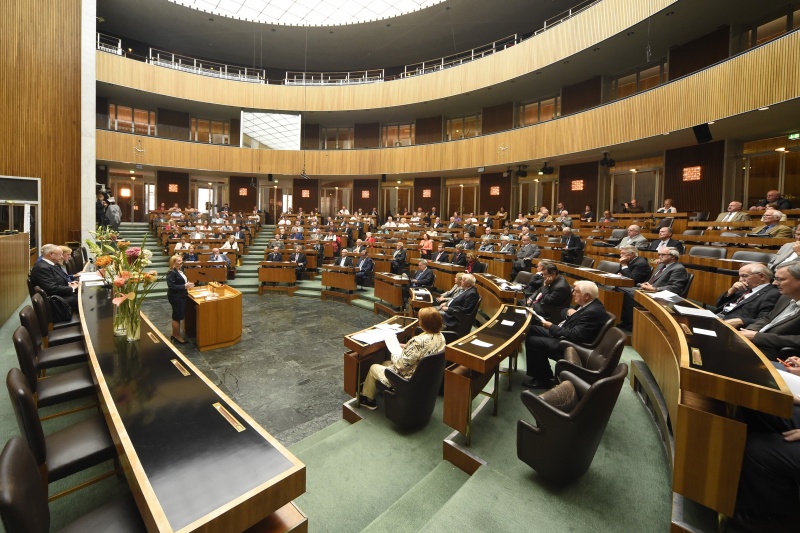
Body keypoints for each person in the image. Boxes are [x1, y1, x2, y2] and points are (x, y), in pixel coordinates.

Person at [523, 280, 608, 389]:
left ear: (587, 295)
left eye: (576, 291)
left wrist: (551, 327)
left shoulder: (592, 312)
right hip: (565, 333)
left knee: (533, 342)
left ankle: (541, 380)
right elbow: (564, 311)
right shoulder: (587, 304)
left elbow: (575, 335)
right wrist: (569, 312)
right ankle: (543, 373)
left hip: (571, 345)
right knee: (532, 329)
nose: (573, 293)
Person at [359, 306, 446, 410]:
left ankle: (368, 400)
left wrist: (394, 350)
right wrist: (406, 347)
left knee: (374, 367)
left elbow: (400, 365)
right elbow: (423, 350)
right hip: (423, 375)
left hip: (407, 379)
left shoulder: (419, 342)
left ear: (424, 323)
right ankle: (374, 388)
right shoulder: (440, 336)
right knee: (385, 363)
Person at [740, 262, 800, 358]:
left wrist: (758, 337)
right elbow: (768, 318)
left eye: (780, 279)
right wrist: (749, 331)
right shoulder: (785, 297)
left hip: (777, 353)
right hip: (755, 343)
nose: (774, 283)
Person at [618, 248, 688, 329]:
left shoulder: (678, 268)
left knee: (625, 292)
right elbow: (653, 280)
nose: (660, 256)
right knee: (619, 289)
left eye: (663, 255)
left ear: (673, 257)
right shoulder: (661, 265)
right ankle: (625, 320)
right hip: (648, 290)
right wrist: (646, 283)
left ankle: (633, 323)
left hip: (658, 294)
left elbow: (676, 288)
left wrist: (655, 288)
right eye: (659, 254)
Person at [715, 263, 780, 328]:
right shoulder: (743, 288)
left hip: (731, 326)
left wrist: (742, 321)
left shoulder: (772, 294)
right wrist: (731, 291)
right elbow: (718, 305)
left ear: (761, 276)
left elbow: (764, 320)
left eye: (744, 276)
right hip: (718, 317)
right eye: (740, 276)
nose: (740, 280)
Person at [30, 244, 79, 311]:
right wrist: (71, 288)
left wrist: (69, 284)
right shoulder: (42, 268)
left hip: (60, 296)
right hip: (55, 303)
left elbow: (57, 280)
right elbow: (51, 289)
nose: (62, 257)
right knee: (83, 298)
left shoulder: (52, 265)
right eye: (60, 254)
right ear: (51, 254)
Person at [166, 255, 194, 344]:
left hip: (181, 295)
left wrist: (187, 284)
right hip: (175, 297)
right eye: (178, 261)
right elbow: (171, 286)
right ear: (173, 262)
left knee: (178, 315)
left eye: (181, 260)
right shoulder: (171, 272)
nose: (181, 262)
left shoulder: (180, 271)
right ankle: (177, 336)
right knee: (177, 316)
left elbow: (181, 282)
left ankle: (174, 334)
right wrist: (184, 286)